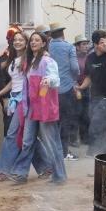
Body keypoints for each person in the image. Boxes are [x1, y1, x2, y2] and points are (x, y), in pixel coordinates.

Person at [8, 31, 66, 185]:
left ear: (43, 43)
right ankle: (21, 174)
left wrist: (49, 80)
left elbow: (56, 80)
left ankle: (59, 175)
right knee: (27, 141)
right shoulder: (29, 61)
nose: (33, 42)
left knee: (51, 143)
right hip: (31, 108)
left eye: (37, 40)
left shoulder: (47, 61)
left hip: (45, 109)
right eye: (32, 40)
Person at [0, 30, 47, 180]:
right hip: (15, 99)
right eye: (15, 40)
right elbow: (13, 82)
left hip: (25, 100)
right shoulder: (13, 59)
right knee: (26, 136)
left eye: (21, 40)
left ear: (26, 42)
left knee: (13, 134)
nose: (17, 42)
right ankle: (46, 167)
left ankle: (4, 170)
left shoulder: (29, 59)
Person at [78, 30, 106, 155]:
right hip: (95, 97)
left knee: (97, 125)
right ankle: (105, 154)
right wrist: (81, 87)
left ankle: (95, 152)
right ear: (96, 44)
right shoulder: (90, 58)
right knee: (100, 126)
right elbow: (88, 77)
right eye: (103, 42)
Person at [47, 22, 80, 160]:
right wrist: (73, 78)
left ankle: (50, 151)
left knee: (51, 122)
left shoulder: (47, 47)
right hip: (66, 89)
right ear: (63, 33)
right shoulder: (69, 47)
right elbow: (75, 68)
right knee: (65, 121)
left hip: (49, 89)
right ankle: (64, 151)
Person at [74, 34, 91, 147]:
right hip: (76, 88)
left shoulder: (89, 57)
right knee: (76, 113)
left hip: (87, 88)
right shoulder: (74, 57)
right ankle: (74, 139)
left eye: (86, 44)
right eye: (83, 44)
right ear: (77, 46)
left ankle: (85, 138)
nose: (86, 46)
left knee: (86, 114)